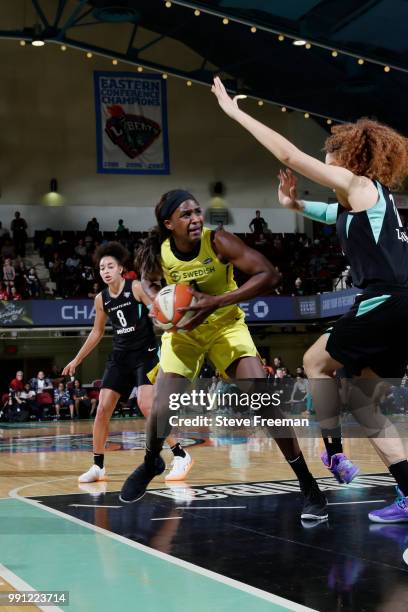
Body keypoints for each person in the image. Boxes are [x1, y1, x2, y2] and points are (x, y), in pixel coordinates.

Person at [211, 76, 408, 521]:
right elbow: (324, 213)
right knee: (363, 402)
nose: (323, 158)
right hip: (400, 308)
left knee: (314, 362)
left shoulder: (359, 184)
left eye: (328, 153)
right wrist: (294, 205)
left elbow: (288, 155)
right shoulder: (369, 200)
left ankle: (334, 454)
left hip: (386, 302)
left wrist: (235, 113)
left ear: (346, 156)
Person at [119, 189, 327, 521]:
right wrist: (159, 302)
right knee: (160, 408)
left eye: (197, 212)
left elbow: (269, 275)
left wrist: (215, 302)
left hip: (224, 324)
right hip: (185, 333)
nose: (196, 218)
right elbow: (146, 279)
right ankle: (150, 462)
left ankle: (308, 485)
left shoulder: (217, 241)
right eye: (186, 215)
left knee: (265, 402)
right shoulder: (158, 252)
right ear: (168, 223)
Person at [62, 242, 190, 483]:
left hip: (145, 353)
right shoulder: (101, 299)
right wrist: (76, 359)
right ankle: (98, 466)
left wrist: (168, 320)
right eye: (102, 268)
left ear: (121, 268)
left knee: (147, 407)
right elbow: (96, 332)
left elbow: (158, 311)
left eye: (110, 266)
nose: (106, 271)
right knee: (101, 410)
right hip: (120, 357)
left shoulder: (136, 287)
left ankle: (181, 454)